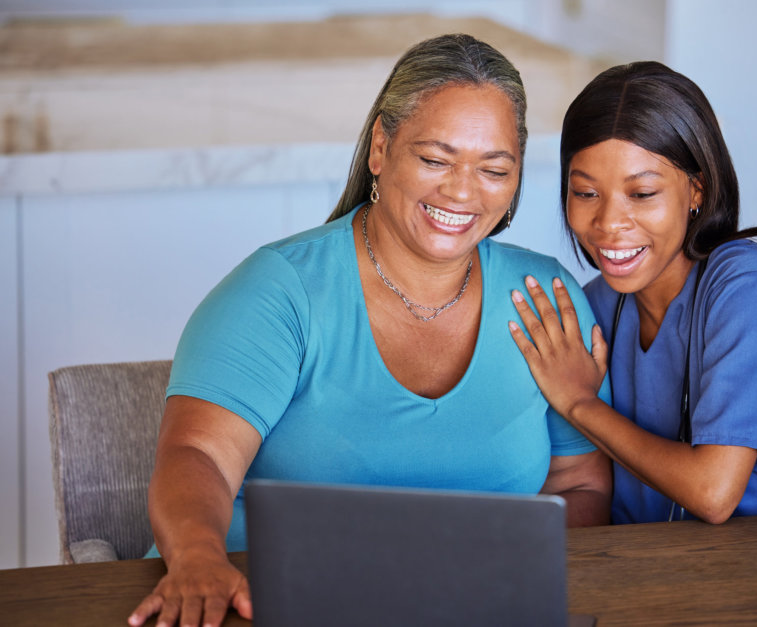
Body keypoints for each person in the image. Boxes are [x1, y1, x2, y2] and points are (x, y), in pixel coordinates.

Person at [129, 34, 611, 627]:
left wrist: (488, 564)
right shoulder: (280, 291)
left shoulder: (545, 298)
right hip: (255, 599)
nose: (462, 190)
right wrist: (199, 559)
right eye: (435, 159)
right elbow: (195, 453)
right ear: (381, 147)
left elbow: (581, 483)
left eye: (493, 168)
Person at [508, 61, 757, 527]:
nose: (609, 223)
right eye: (586, 193)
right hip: (680, 575)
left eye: (643, 193)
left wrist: (579, 403)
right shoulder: (596, 307)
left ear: (696, 190)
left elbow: (713, 493)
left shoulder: (747, 286)